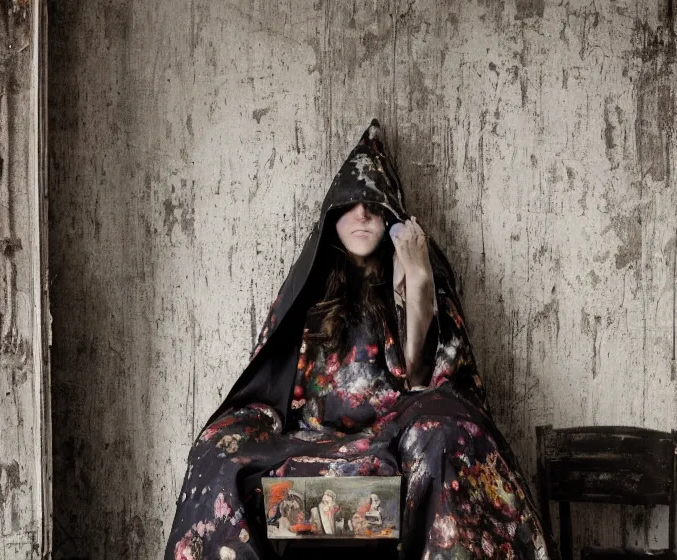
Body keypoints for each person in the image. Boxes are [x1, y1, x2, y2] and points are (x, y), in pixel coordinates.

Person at [165, 120, 556, 560]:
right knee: (217, 448)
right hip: (309, 438)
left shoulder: (411, 274)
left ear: (393, 217)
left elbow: (426, 380)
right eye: (351, 205)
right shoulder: (310, 293)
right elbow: (268, 385)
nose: (364, 214)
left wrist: (419, 281)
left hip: (392, 435)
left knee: (447, 433)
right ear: (332, 219)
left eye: (375, 205)